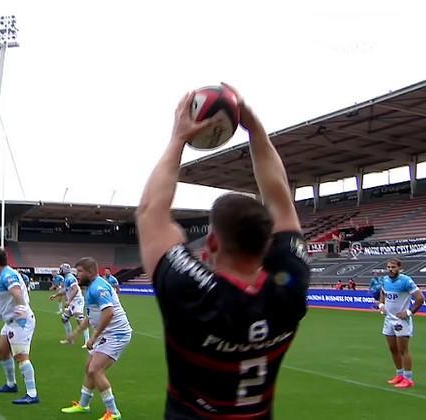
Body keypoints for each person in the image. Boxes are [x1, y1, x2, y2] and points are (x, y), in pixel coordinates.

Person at [135, 86, 310, 419]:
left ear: (212, 243)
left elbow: (150, 213)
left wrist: (178, 139)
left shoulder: (193, 294)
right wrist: (254, 126)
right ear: (268, 244)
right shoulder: (291, 286)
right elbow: (279, 197)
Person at [61, 257, 132, 420]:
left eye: (79, 271)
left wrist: (93, 337)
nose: (77, 275)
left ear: (91, 272)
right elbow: (91, 315)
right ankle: (83, 405)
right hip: (109, 333)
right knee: (89, 367)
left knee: (95, 369)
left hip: (117, 334)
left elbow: (108, 314)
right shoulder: (92, 287)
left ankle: (113, 413)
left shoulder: (98, 287)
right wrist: (77, 332)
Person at [0, 248, 40, 405]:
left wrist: (21, 309)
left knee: (21, 357)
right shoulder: (5, 273)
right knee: (2, 351)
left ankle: (32, 394)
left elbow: (17, 293)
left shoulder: (8, 275)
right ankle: (11, 384)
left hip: (19, 321)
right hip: (10, 321)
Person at [378, 258, 425, 389]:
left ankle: (408, 378)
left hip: (401, 321)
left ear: (399, 268)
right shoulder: (386, 280)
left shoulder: (406, 281)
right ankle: (399, 374)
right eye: (388, 267)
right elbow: (382, 292)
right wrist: (381, 304)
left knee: (403, 350)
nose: (390, 270)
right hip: (388, 319)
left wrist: (409, 312)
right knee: (392, 349)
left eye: (393, 267)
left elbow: (420, 299)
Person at [50, 263, 89, 347]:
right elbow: (65, 290)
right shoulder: (66, 278)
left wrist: (69, 301)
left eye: (61, 269)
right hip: (72, 301)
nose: (60, 271)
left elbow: (75, 289)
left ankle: (87, 341)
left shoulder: (70, 278)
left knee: (80, 320)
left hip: (77, 301)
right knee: (64, 319)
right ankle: (70, 339)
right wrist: (55, 295)